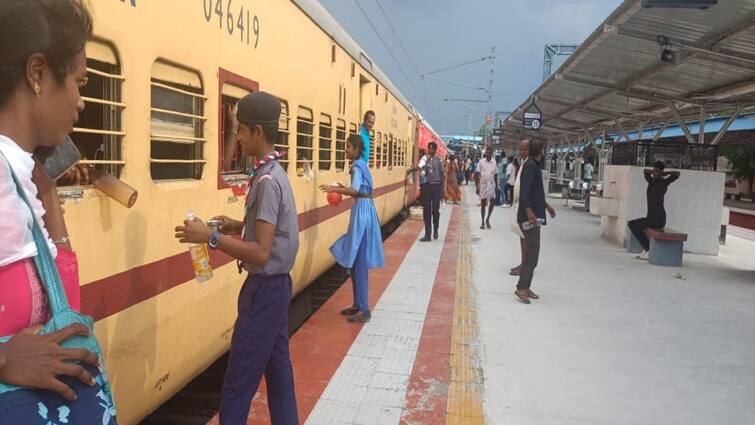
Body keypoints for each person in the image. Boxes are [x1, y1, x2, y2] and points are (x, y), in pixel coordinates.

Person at [0, 0, 118, 416]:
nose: (82, 102)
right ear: (37, 74)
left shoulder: (20, 175)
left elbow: (61, 315)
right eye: (80, 82)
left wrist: (48, 194)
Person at [175, 92, 299, 425]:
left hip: (264, 292)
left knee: (237, 384)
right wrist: (237, 225)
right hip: (276, 287)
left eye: (241, 131)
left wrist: (211, 238)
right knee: (279, 374)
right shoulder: (272, 172)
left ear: (258, 132)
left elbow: (261, 251)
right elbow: (269, 230)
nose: (238, 139)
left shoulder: (267, 181)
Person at [320, 135, 384, 323]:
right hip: (363, 212)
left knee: (360, 262)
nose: (345, 150)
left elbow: (355, 191)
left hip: (362, 215)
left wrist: (334, 188)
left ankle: (364, 308)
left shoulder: (356, 166)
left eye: (348, 147)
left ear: (357, 149)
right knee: (356, 261)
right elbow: (358, 189)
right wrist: (341, 187)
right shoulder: (361, 165)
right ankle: (358, 304)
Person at [515, 140, 556, 304]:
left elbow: (535, 193)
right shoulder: (531, 167)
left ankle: (525, 285)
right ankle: (522, 287)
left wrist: (547, 207)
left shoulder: (532, 165)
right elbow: (524, 193)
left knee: (533, 252)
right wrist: (530, 212)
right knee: (533, 252)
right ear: (541, 150)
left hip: (533, 215)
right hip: (529, 218)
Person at [627, 161, 680, 260]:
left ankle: (648, 249)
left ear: (661, 173)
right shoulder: (651, 182)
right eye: (654, 171)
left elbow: (677, 174)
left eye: (658, 171)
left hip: (658, 219)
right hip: (651, 217)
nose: (655, 173)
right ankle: (647, 248)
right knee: (632, 224)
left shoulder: (664, 183)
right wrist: (654, 172)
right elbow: (645, 171)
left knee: (632, 225)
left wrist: (665, 174)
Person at [509, 141, 529, 277]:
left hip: (526, 207)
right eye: (520, 149)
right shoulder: (524, 163)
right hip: (520, 205)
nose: (521, 152)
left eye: (524, 150)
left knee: (526, 237)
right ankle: (523, 263)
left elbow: (529, 189)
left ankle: (525, 266)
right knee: (522, 236)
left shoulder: (530, 165)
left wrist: (528, 209)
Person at [420, 142, 444, 242]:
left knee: (435, 210)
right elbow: (424, 172)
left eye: (431, 149)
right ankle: (427, 234)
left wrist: (442, 191)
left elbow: (442, 176)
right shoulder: (427, 160)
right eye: (428, 149)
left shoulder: (439, 161)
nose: (429, 151)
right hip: (428, 187)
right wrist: (422, 173)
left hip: (436, 187)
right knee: (426, 210)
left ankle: (435, 229)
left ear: (435, 150)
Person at [476, 147, 498, 229]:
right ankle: (482, 222)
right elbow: (477, 173)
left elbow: (495, 175)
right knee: (483, 203)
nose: (488, 154)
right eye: (487, 153)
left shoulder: (494, 162)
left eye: (490, 153)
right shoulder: (481, 162)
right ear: (485, 153)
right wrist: (477, 186)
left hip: (491, 184)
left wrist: (496, 186)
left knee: (492, 202)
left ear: (491, 154)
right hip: (483, 185)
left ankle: (488, 218)